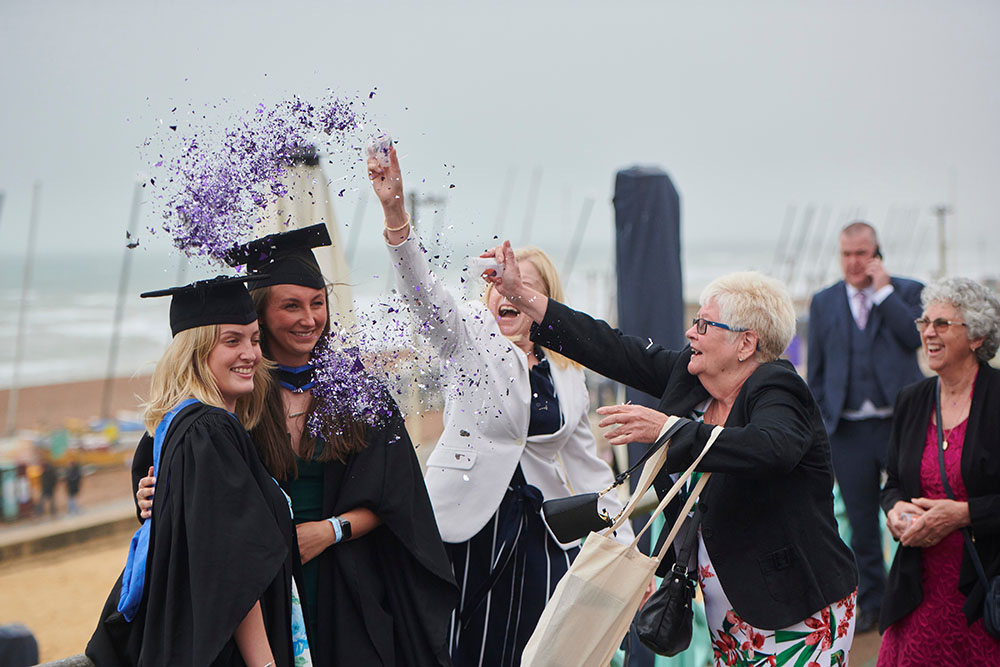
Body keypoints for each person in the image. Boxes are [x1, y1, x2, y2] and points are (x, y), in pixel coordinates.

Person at [490, 258, 859, 665]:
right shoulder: (691, 376)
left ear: (745, 344)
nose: (690, 332)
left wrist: (668, 429)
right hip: (729, 610)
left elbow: (772, 448)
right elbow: (611, 348)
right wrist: (518, 294)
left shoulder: (778, 388)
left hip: (799, 606)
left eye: (704, 324)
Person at [137, 225, 457, 666]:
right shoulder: (230, 394)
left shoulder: (354, 390)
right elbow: (183, 484)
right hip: (264, 590)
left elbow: (400, 500)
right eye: (291, 305)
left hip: (348, 586)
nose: (309, 319)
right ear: (261, 313)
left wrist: (330, 531)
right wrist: (154, 495)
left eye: (317, 303)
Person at [369, 147, 635, 667]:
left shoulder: (568, 373)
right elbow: (424, 297)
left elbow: (587, 468)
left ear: (545, 302)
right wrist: (396, 216)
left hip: (543, 534)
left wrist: (623, 549)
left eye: (523, 286)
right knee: (464, 651)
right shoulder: (469, 337)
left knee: (538, 651)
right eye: (498, 283)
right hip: (469, 529)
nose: (507, 293)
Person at [87, 275, 304, 667]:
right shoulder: (209, 432)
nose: (250, 354)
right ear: (196, 351)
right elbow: (233, 564)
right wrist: (265, 664)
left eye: (255, 339)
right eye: (232, 341)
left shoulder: (177, 425)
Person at [807, 221, 924, 632]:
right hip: (848, 431)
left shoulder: (907, 292)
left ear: (877, 254)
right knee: (860, 523)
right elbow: (816, 370)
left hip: (900, 425)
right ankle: (873, 602)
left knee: (913, 510)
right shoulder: (823, 302)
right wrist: (822, 419)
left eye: (862, 253)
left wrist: (884, 292)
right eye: (847, 254)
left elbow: (913, 338)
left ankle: (915, 596)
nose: (854, 262)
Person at [878, 277, 1000, 664]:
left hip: (983, 589)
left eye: (942, 323)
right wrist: (895, 512)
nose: (928, 332)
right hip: (918, 588)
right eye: (924, 322)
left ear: (977, 336)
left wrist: (964, 514)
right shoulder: (912, 399)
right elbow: (893, 483)